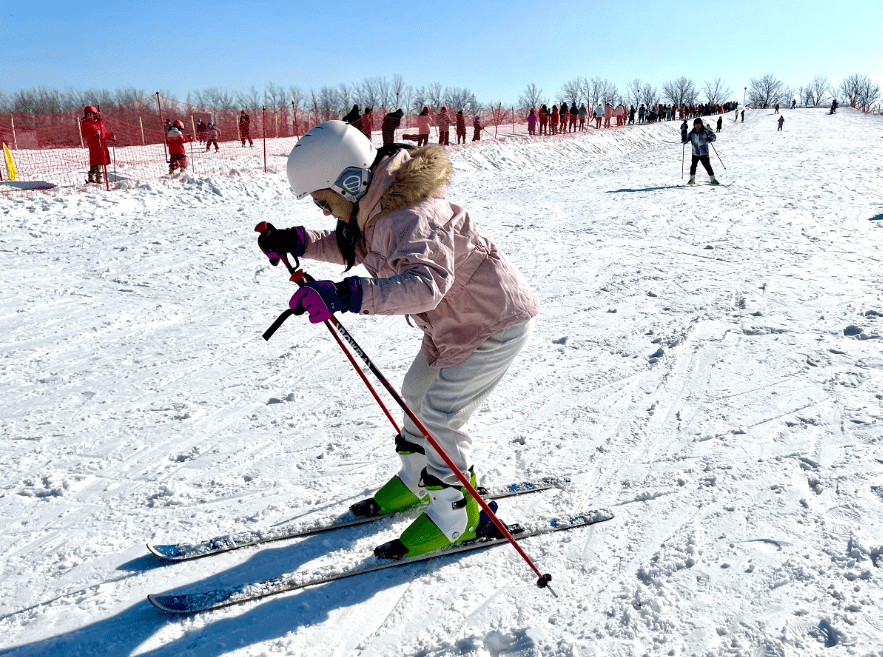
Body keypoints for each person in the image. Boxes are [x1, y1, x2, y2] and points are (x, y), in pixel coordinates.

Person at [257, 120, 539, 559]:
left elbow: (425, 285)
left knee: (442, 414)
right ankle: (416, 478)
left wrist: (349, 294)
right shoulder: (375, 210)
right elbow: (353, 247)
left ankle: (460, 515)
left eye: (324, 201)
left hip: (492, 324)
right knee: (415, 395)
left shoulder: (414, 217)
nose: (325, 213)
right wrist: (297, 240)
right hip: (450, 327)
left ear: (349, 183)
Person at [81, 106, 114, 184]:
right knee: (94, 161)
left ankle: (98, 177)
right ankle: (91, 176)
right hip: (93, 145)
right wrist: (94, 134)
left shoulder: (100, 123)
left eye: (91, 114)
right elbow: (85, 134)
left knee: (100, 161)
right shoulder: (85, 123)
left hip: (102, 145)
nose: (89, 115)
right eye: (87, 114)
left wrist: (111, 137)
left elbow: (105, 133)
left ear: (94, 114)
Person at [682, 118, 719, 185]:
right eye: (696, 124)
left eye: (699, 124)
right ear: (694, 125)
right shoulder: (692, 133)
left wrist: (710, 139)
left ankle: (713, 179)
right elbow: (685, 140)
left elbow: (714, 137)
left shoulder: (705, 131)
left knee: (707, 166)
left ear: (701, 124)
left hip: (704, 153)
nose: (697, 126)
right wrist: (684, 139)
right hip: (695, 153)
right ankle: (692, 180)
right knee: (693, 166)